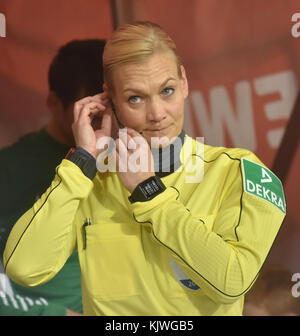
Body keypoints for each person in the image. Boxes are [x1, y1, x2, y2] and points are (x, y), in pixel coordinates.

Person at [3, 21, 286, 316]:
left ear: (184, 82)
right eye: (135, 98)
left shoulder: (237, 172)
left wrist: (150, 194)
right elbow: (25, 267)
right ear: (110, 101)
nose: (157, 114)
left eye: (167, 91)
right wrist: (83, 160)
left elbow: (232, 281)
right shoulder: (92, 181)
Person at [0, 39, 106, 315]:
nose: (102, 126)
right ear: (54, 103)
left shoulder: (132, 159)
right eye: (91, 113)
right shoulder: (9, 169)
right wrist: (55, 314)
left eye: (111, 110)